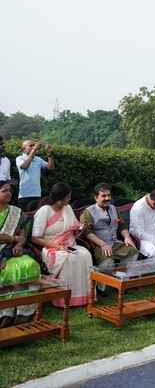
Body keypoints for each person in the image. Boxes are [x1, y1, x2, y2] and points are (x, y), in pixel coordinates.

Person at [32, 182, 93, 307]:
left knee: (85, 255)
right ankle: (62, 298)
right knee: (68, 258)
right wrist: (57, 246)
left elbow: (74, 226)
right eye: (68, 197)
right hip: (51, 246)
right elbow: (35, 238)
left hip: (69, 244)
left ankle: (83, 297)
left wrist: (81, 228)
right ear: (60, 198)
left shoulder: (68, 208)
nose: (70, 199)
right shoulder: (44, 211)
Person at [80, 183, 138, 293]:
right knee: (108, 263)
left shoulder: (114, 208)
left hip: (115, 242)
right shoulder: (88, 212)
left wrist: (127, 237)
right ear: (96, 197)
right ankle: (101, 287)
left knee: (132, 252)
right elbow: (87, 232)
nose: (107, 198)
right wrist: (102, 244)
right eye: (104, 196)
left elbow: (122, 225)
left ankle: (121, 280)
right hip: (99, 245)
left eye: (109, 195)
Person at [0, 179, 40, 328]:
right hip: (3, 254)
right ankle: (5, 313)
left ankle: (24, 312)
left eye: (10, 190)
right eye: (4, 190)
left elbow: (23, 233)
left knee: (30, 265)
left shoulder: (16, 212)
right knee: (10, 270)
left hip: (11, 251)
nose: (9, 193)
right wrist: (13, 238)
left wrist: (19, 244)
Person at [16, 140, 54, 211]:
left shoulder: (38, 159)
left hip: (37, 194)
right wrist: (34, 150)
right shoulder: (19, 158)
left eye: (34, 145)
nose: (33, 147)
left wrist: (49, 154)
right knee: (24, 216)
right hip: (24, 195)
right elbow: (25, 166)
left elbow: (50, 167)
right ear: (23, 149)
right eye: (31, 146)